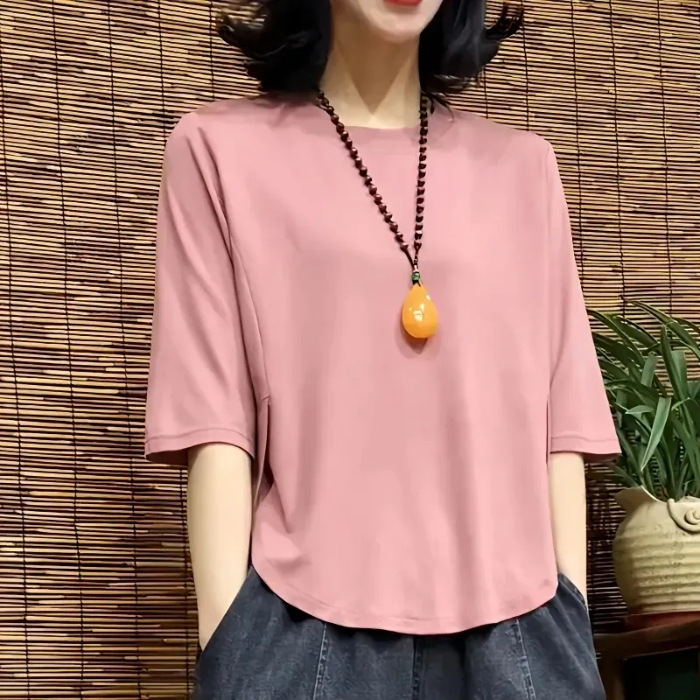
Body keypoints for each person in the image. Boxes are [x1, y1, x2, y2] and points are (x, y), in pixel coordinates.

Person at [145, 0, 620, 696]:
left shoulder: (524, 168)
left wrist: (565, 610)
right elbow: (214, 421)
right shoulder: (218, 150)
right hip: (303, 626)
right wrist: (232, 650)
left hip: (521, 628)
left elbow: (561, 424)